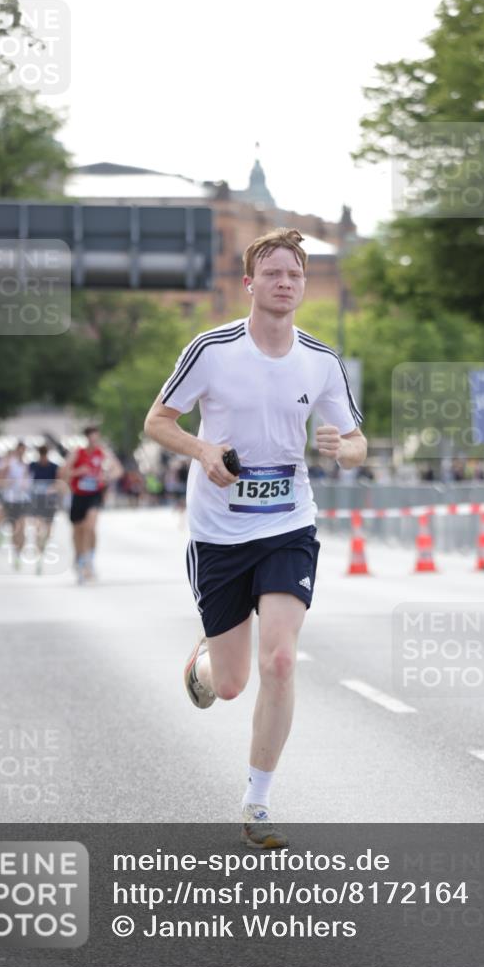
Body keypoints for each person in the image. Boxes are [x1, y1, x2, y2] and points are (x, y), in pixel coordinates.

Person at [144, 228, 367, 849]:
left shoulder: (321, 361)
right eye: (272, 273)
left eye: (294, 274)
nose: (285, 283)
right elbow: (157, 421)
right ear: (250, 284)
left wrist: (342, 449)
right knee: (235, 681)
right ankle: (206, 663)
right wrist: (203, 448)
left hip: (288, 524)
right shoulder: (212, 350)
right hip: (217, 531)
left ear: (303, 284)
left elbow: (356, 442)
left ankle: (258, 802)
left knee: (281, 659)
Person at [59, 426, 123, 584]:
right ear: (87, 438)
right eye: (91, 438)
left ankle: (89, 559)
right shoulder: (77, 453)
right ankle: (79, 557)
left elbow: (118, 470)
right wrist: (77, 472)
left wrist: (107, 476)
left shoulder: (102, 453)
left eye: (97, 438)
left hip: (94, 495)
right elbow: (62, 473)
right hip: (78, 495)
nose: (94, 441)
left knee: (90, 527)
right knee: (78, 530)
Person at [0, 441, 32, 571]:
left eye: (24, 450)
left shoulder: (27, 465)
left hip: (23, 499)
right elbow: (0, 481)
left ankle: (20, 551)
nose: (21, 452)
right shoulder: (9, 464)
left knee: (22, 527)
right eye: (20, 450)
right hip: (11, 499)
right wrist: (8, 482)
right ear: (16, 450)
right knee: (15, 528)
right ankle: (16, 552)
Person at [29, 444, 60, 574]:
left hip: (49, 502)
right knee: (38, 526)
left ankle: (43, 545)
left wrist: (53, 488)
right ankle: (38, 552)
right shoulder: (33, 466)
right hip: (37, 501)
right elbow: (27, 480)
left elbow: (58, 482)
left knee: (48, 530)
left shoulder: (54, 467)